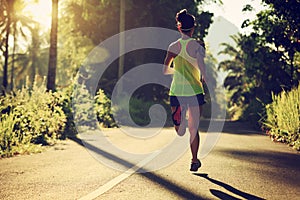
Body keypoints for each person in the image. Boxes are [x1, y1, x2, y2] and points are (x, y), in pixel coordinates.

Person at [163, 9, 207, 172]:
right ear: (193, 28)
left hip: (176, 92)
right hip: (195, 91)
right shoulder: (197, 46)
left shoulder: (173, 46)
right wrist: (204, 76)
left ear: (179, 27)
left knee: (180, 131)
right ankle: (194, 160)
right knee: (194, 128)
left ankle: (178, 121)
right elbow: (202, 68)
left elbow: (165, 70)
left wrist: (177, 71)